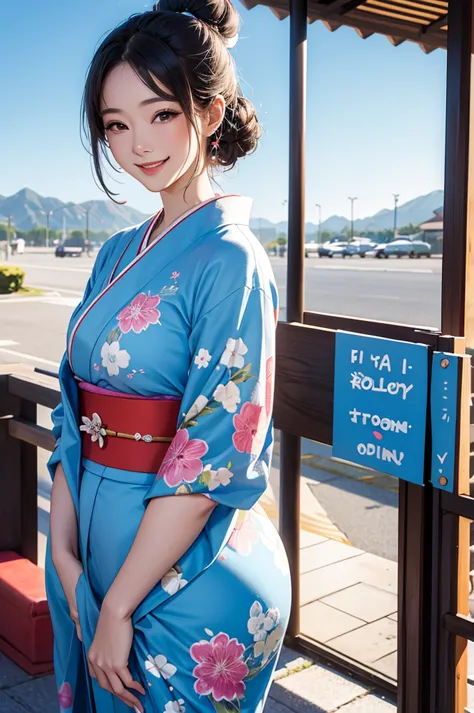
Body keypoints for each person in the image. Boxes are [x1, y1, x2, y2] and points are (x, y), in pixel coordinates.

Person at [46, 1, 291, 711]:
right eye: (116, 125)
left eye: (161, 114)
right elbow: (74, 399)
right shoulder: (119, 251)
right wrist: (62, 549)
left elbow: (214, 449)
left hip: (184, 575)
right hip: (92, 547)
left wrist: (117, 607)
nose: (137, 145)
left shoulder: (230, 259)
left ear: (211, 114)